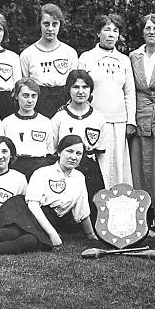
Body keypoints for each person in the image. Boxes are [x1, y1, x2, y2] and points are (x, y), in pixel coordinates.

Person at [0, 135, 98, 258]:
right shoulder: (43, 172)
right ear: (58, 152)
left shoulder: (79, 177)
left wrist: (91, 236)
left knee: (29, 241)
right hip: (28, 210)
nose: (73, 157)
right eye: (69, 151)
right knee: (12, 233)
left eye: (78, 153)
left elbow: (82, 209)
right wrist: (51, 233)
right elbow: (33, 205)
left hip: (50, 218)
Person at [79, 14, 136, 188]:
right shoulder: (86, 58)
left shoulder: (124, 60)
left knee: (118, 165)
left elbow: (129, 93)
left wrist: (131, 121)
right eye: (106, 29)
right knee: (99, 165)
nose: (111, 34)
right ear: (98, 33)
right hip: (95, 121)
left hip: (119, 121)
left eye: (115, 30)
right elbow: (78, 89)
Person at [129, 13, 155, 226]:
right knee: (138, 164)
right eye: (147, 28)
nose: (151, 32)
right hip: (138, 114)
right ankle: (140, 211)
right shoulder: (133, 56)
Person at [51, 70, 107, 211]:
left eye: (85, 87)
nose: (80, 91)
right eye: (76, 87)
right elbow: (52, 149)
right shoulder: (59, 117)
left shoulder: (98, 117)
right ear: (68, 89)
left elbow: (100, 152)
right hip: (65, 169)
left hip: (89, 168)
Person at [19, 4, 78, 117]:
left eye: (54, 24)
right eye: (46, 24)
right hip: (38, 103)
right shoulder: (27, 54)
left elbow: (74, 84)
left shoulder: (70, 53)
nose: (50, 28)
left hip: (64, 102)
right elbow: (24, 87)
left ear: (60, 25)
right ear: (39, 24)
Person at [2, 78, 55, 180]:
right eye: (25, 96)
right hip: (15, 166)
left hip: (39, 166)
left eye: (33, 96)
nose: (30, 100)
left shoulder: (45, 122)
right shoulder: (7, 122)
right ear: (16, 96)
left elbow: (50, 149)